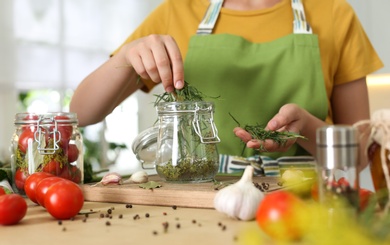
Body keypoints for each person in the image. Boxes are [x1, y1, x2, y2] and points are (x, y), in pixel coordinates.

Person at [70, 0, 383, 172]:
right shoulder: (176, 11)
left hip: (301, 212)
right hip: (196, 211)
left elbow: (357, 155)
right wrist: (126, 54)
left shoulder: (335, 14)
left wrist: (306, 128)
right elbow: (81, 114)